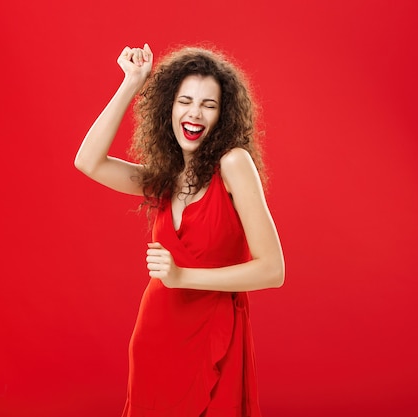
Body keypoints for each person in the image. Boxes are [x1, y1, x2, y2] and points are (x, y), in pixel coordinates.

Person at [75, 43, 285, 417]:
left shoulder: (234, 164)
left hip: (214, 334)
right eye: (184, 101)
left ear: (224, 116)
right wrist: (132, 82)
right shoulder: (164, 177)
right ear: (168, 108)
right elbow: (88, 161)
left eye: (209, 105)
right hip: (156, 335)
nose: (194, 113)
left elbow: (273, 269)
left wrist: (181, 275)